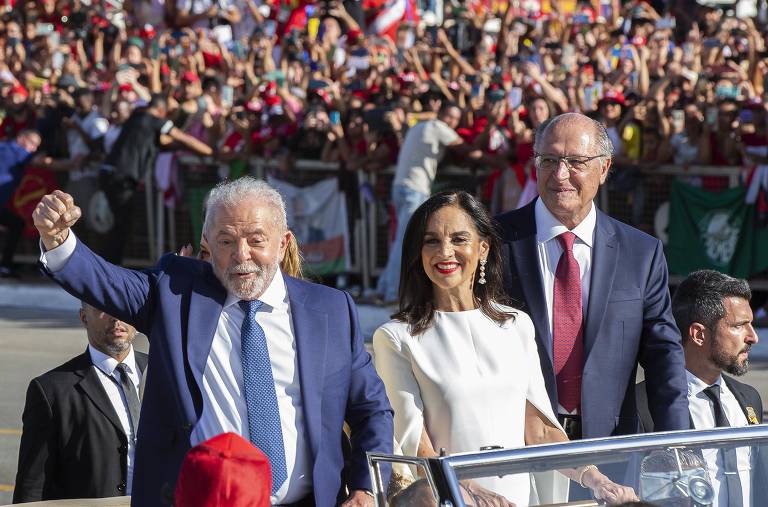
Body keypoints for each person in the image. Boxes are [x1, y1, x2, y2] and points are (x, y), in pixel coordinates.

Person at [32, 177, 393, 507]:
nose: (241, 255)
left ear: (283, 244)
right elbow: (105, 282)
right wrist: (59, 240)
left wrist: (365, 488)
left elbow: (371, 409)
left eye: (256, 240)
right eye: (225, 241)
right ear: (208, 243)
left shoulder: (330, 309)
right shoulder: (175, 292)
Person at [373, 191, 636, 506]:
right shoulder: (396, 338)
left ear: (483, 249)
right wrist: (471, 493)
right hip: (452, 500)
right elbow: (419, 448)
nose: (445, 252)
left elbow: (539, 431)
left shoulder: (517, 326)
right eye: (431, 241)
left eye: (459, 239)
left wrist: (597, 480)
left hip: (516, 500)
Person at [496, 113, 689, 440]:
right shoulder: (495, 240)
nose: (560, 174)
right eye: (549, 160)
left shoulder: (641, 252)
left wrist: (679, 444)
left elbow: (663, 357)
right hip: (515, 440)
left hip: (609, 444)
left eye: (575, 162)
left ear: (604, 168)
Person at [636, 270, 764, 507]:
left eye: (752, 325)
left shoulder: (749, 398)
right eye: (739, 326)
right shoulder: (642, 405)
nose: (753, 337)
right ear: (698, 334)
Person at [13, 302, 147, 503]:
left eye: (123, 307)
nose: (116, 318)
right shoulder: (51, 390)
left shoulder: (166, 372)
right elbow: (33, 485)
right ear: (84, 318)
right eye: (104, 308)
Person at [374, 102, 482, 304]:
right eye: (449, 116)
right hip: (414, 190)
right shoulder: (437, 127)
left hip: (402, 187)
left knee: (400, 240)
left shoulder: (419, 126)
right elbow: (465, 150)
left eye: (455, 119)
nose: (452, 122)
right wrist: (492, 158)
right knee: (406, 242)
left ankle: (383, 288)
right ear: (440, 114)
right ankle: (390, 292)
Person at [100, 93, 213, 265]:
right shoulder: (154, 120)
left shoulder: (137, 119)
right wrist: (209, 151)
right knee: (120, 227)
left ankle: (109, 266)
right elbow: (181, 137)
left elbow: (166, 143)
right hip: (121, 179)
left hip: (110, 174)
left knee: (119, 225)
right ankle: (109, 269)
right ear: (161, 111)